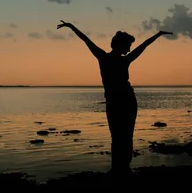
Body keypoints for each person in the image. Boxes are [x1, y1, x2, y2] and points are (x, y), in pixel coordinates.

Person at [57, 20, 172, 175]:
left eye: (130, 46)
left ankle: (122, 168)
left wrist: (157, 35)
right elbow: (87, 40)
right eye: (128, 45)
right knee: (123, 137)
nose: (130, 48)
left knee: (120, 137)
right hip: (119, 101)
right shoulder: (110, 58)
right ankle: (120, 168)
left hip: (124, 101)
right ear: (120, 45)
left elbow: (141, 46)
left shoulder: (110, 58)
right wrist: (71, 27)